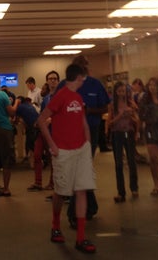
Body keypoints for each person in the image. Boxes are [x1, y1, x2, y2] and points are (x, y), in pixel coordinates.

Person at [37, 63, 97, 255]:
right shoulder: (60, 96)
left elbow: (82, 121)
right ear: (78, 77)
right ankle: (55, 226)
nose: (84, 81)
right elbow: (41, 121)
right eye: (83, 77)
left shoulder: (78, 98)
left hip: (81, 150)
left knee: (81, 190)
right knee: (61, 192)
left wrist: (87, 142)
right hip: (63, 151)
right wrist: (52, 145)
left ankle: (80, 237)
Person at [58, 54, 109, 225]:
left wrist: (89, 111)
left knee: (82, 167)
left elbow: (104, 107)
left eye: (83, 65)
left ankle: (75, 213)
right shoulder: (64, 85)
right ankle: (89, 206)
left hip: (90, 130)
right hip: (69, 132)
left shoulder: (95, 84)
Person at [106, 80, 139, 202]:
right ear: (115, 92)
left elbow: (137, 119)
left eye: (123, 91)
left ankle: (134, 188)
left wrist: (132, 115)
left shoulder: (131, 103)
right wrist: (120, 116)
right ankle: (121, 191)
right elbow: (109, 123)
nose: (121, 93)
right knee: (119, 163)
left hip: (129, 133)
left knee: (131, 161)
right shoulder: (112, 105)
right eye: (119, 91)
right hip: (117, 134)